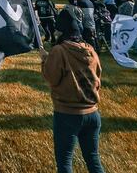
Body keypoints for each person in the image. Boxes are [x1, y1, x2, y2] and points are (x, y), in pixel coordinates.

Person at [41, 11, 104, 173]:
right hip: (93, 113)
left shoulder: (59, 51)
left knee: (65, 162)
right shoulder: (90, 49)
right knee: (93, 158)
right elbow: (98, 76)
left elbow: (51, 78)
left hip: (68, 114)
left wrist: (45, 61)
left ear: (61, 31)